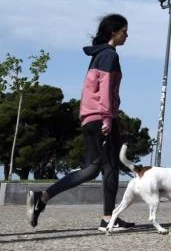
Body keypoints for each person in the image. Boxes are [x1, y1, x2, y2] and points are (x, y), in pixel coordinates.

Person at [27, 13, 134, 232]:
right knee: (111, 167)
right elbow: (105, 89)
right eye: (124, 31)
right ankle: (108, 219)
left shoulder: (98, 55)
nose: (127, 35)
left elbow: (94, 90)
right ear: (113, 32)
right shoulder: (109, 55)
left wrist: (113, 116)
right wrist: (108, 117)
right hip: (101, 117)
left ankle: (42, 197)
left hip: (89, 117)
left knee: (91, 170)